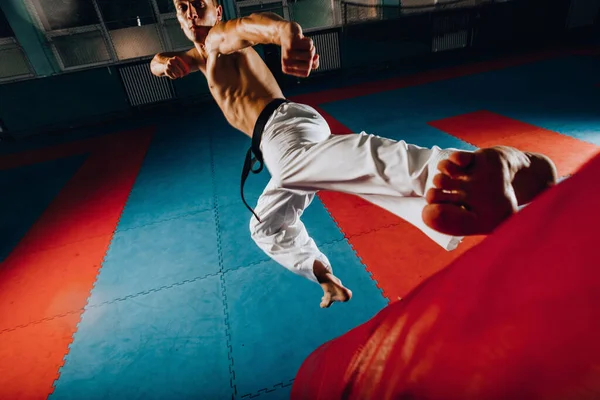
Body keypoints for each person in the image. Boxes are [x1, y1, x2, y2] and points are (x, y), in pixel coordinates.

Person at [150, 0, 557, 308]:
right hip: (285, 135)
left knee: (317, 164)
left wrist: (287, 33)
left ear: (215, 7)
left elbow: (251, 28)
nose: (188, 11)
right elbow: (162, 60)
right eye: (180, 5)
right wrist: (161, 64)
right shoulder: (200, 56)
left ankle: (464, 170)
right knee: (265, 225)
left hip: (282, 131)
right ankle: (324, 275)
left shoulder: (220, 37)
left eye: (197, 2)